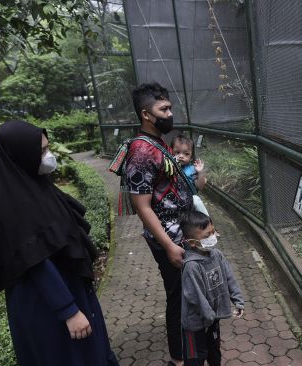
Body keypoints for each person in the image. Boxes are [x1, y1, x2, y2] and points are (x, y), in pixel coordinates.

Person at [0, 120, 118, 365]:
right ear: (21, 157)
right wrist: (68, 310)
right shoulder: (13, 207)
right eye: (42, 152)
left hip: (71, 290)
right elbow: (35, 261)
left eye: (47, 148)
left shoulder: (37, 188)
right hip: (47, 306)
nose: (49, 156)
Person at [124, 82, 194, 366]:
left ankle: (188, 345)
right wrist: (168, 245)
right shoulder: (141, 151)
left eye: (170, 108)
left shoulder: (157, 142)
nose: (169, 114)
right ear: (146, 114)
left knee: (184, 293)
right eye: (163, 109)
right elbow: (141, 206)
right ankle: (178, 359)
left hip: (179, 231)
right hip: (168, 238)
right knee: (177, 297)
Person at [179, 210, 244, 366]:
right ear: (192, 242)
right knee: (195, 359)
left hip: (212, 319)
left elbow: (229, 278)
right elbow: (196, 297)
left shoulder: (217, 255)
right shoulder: (192, 267)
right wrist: (209, 318)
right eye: (206, 236)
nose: (212, 237)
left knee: (214, 353)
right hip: (195, 325)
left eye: (213, 232)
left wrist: (238, 300)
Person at [171, 134, 209, 216]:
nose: (181, 156)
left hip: (189, 201)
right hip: (174, 202)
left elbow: (200, 186)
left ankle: (208, 224)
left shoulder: (192, 170)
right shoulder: (168, 167)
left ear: (191, 157)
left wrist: (200, 172)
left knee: (196, 200)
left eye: (186, 154)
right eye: (177, 152)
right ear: (171, 152)